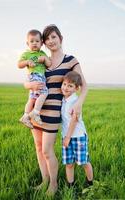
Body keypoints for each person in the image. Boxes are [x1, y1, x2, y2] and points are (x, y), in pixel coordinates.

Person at [23, 24, 88, 195]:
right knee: (38, 147)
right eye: (47, 39)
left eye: (54, 37)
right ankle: (44, 181)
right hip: (37, 110)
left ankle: (53, 184)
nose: (51, 41)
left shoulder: (70, 60)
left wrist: (79, 102)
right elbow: (28, 79)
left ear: (60, 38)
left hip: (53, 111)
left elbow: (84, 85)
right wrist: (28, 84)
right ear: (43, 43)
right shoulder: (42, 60)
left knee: (47, 149)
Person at [61, 71, 93, 188]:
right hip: (66, 136)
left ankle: (90, 184)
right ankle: (70, 186)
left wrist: (68, 137)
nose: (66, 88)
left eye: (70, 86)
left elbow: (74, 121)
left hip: (77, 136)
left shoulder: (75, 102)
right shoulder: (63, 100)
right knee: (69, 164)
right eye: (64, 84)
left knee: (84, 162)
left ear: (77, 88)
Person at [18, 29, 51, 128]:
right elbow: (19, 64)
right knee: (44, 92)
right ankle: (35, 112)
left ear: (41, 43)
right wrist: (27, 62)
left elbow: (49, 64)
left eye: (37, 41)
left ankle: (25, 115)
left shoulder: (42, 53)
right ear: (27, 43)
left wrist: (45, 59)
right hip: (34, 76)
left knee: (32, 98)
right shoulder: (26, 54)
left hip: (40, 77)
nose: (34, 43)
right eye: (32, 41)